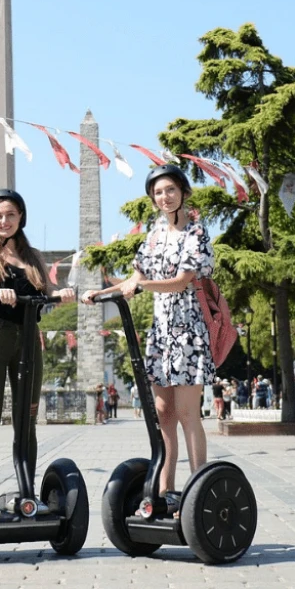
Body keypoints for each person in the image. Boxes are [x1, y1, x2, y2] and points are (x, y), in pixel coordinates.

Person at [83, 165, 214, 513]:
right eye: (158, 192)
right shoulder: (155, 234)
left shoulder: (196, 233)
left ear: (184, 192)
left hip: (187, 331)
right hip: (161, 332)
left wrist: (141, 286)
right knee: (163, 412)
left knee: (188, 412)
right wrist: (100, 292)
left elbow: (183, 280)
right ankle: (165, 488)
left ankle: (198, 487)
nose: (164, 197)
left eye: (170, 190)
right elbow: (135, 277)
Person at [0, 188, 75, 517]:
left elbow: (47, 290)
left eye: (10, 215)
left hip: (29, 338)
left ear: (20, 218)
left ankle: (27, 488)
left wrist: (65, 293)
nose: (4, 221)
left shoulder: (33, 257)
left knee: (26, 420)